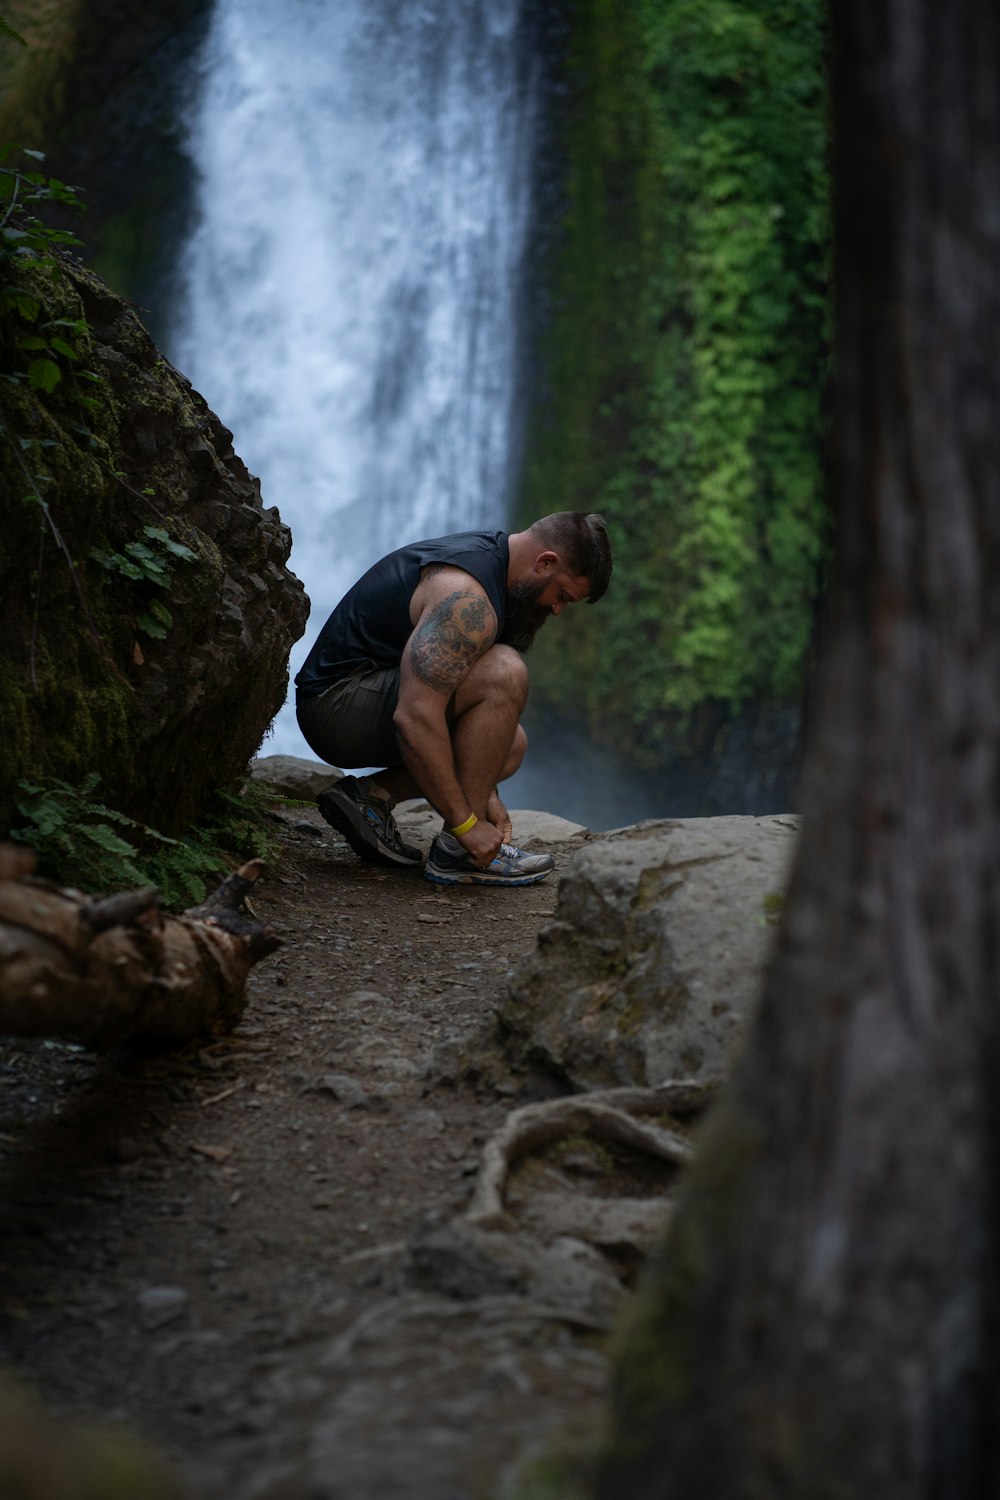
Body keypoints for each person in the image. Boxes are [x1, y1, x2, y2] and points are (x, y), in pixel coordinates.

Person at [294, 512, 612, 887]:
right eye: (561, 596)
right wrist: (468, 823)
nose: (557, 610)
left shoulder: (496, 559)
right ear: (545, 562)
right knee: (505, 671)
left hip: (363, 696)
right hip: (336, 705)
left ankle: (368, 798)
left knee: (510, 746)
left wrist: (484, 788)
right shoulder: (466, 597)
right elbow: (414, 716)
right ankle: (458, 854)